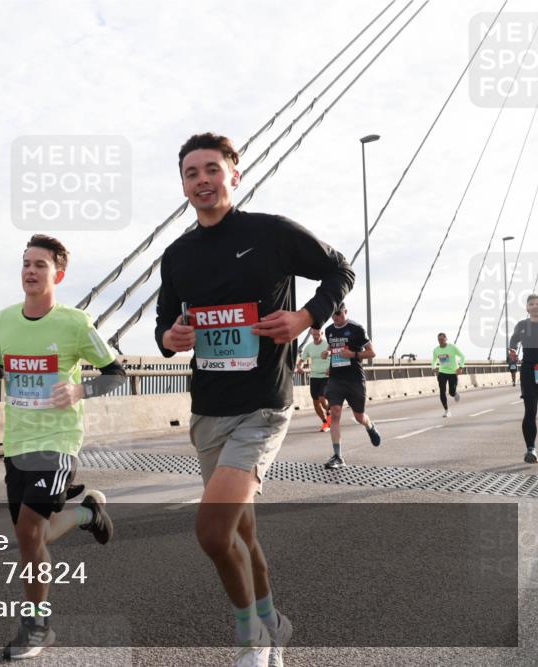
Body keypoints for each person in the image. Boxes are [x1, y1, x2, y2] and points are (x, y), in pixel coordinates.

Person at [155, 133, 354, 667]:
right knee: (242, 533)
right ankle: (276, 623)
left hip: (262, 406)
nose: (202, 180)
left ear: (234, 176)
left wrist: (305, 317)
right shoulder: (176, 256)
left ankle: (252, 640)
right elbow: (163, 328)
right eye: (191, 173)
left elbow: (340, 269)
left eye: (212, 169)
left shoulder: (270, 233)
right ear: (183, 185)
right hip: (206, 412)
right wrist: (171, 339)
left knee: (213, 529)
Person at [0, 234, 126, 660]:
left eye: (39, 264)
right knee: (31, 538)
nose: (29, 270)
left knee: (27, 533)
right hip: (16, 441)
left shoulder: (75, 323)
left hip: (58, 441)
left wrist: (80, 391)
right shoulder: (4, 319)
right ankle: (85, 513)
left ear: (57, 274)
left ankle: (37, 626)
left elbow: (116, 372)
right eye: (25, 262)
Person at [322, 303, 382, 469]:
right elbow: (333, 345)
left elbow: (372, 352)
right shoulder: (328, 330)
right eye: (333, 315)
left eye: (339, 314)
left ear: (345, 311)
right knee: (335, 413)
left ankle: (370, 427)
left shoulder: (357, 328)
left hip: (354, 379)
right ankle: (338, 456)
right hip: (335, 378)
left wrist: (353, 354)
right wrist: (328, 352)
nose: (336, 317)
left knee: (359, 417)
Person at [508, 293, 538, 464]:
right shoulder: (522, 325)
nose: (535, 306)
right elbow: (513, 342)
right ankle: (531, 449)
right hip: (528, 370)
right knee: (531, 411)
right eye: (532, 304)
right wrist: (512, 351)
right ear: (527, 308)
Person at [295, 326, 332, 431]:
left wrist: (331, 368)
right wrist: (300, 368)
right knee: (315, 402)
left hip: (326, 376)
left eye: (318, 334)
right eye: (314, 334)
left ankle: (329, 412)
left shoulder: (328, 345)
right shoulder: (309, 347)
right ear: (311, 333)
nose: (316, 336)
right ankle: (325, 422)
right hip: (314, 376)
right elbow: (302, 360)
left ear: (322, 333)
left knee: (322, 397)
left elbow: (335, 357)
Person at [431, 333, 465, 417]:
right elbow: (434, 360)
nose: (441, 341)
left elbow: (462, 356)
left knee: (451, 392)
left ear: (446, 339)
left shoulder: (452, 347)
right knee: (442, 392)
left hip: (453, 373)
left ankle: (455, 393)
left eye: (442, 339)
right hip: (442, 372)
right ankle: (446, 411)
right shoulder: (436, 350)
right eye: (439, 340)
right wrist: (433, 367)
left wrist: (460, 367)